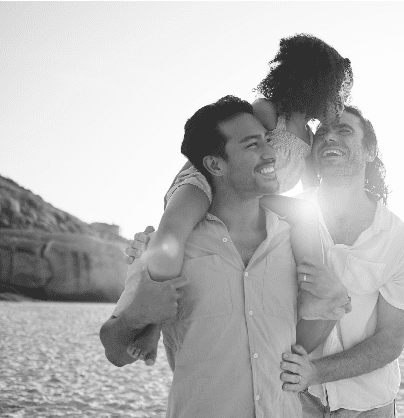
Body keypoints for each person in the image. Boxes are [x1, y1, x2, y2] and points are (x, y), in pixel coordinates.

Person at [99, 96, 348, 417]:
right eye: (252, 144)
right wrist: (141, 315)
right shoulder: (165, 246)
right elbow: (117, 351)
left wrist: (295, 352)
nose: (269, 151)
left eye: (265, 142)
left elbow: (322, 315)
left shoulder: (293, 240)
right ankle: (155, 324)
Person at [126, 34, 354, 364]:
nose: (338, 98)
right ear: (314, 85)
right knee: (174, 233)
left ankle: (312, 297)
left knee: (306, 214)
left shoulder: (309, 136)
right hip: (211, 181)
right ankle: (152, 321)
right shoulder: (268, 112)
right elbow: (226, 143)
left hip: (257, 198)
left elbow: (312, 190)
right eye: (333, 89)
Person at [277, 106, 404, 417]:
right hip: (293, 399)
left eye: (343, 130)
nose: (330, 137)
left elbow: (391, 340)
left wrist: (315, 372)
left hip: (368, 403)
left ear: (370, 151)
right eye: (322, 134)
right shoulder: (282, 217)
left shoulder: (400, 240)